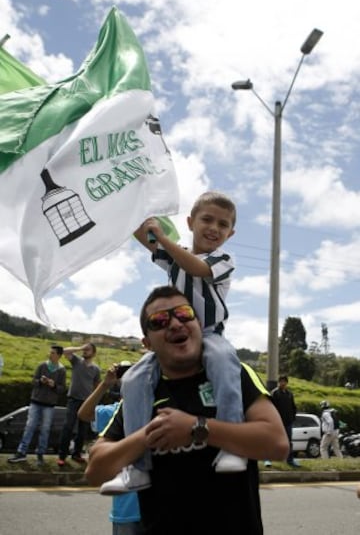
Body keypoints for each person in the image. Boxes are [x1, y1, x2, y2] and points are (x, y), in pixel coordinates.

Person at [85, 285, 289, 534]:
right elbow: (95, 471)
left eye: (183, 313)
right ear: (147, 343)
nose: (174, 324)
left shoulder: (234, 375)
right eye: (159, 321)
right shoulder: (140, 393)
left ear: (199, 325)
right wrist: (149, 434)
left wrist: (197, 427)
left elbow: (277, 444)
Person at [107, 190, 245, 494]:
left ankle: (234, 445)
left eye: (222, 225)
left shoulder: (223, 259)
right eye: (207, 219)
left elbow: (197, 268)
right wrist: (130, 212)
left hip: (209, 334)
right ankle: (138, 466)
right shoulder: (174, 257)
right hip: (174, 338)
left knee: (224, 363)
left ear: (230, 234)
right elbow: (147, 239)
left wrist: (164, 240)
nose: (214, 228)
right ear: (190, 222)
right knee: (133, 379)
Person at [78, 362, 141, 535]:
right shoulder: (116, 412)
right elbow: (84, 414)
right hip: (126, 509)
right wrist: (105, 384)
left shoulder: (157, 406)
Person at [8, 345, 66, 466]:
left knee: (45, 430)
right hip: (36, 402)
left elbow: (62, 389)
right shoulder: (42, 365)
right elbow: (33, 381)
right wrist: (40, 381)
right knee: (29, 427)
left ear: (59, 356)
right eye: (50, 352)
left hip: (49, 405)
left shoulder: (62, 370)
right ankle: (21, 452)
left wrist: (53, 385)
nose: (50, 355)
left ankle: (40, 454)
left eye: (53, 353)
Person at [57, 342, 100, 466]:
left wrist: (94, 402)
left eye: (89, 349)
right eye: (85, 349)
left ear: (94, 353)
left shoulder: (96, 369)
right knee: (68, 427)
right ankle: (62, 456)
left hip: (86, 402)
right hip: (73, 400)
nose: (85, 351)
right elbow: (65, 351)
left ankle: (76, 454)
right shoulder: (77, 361)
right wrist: (80, 347)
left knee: (82, 431)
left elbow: (97, 386)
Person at [264, 375, 300, 468]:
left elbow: (293, 407)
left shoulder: (289, 394)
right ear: (278, 382)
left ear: (287, 383)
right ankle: (267, 459)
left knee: (288, 442)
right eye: (281, 381)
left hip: (288, 422)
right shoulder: (275, 393)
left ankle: (290, 460)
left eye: (284, 381)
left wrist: (292, 418)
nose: (282, 383)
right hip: (277, 422)